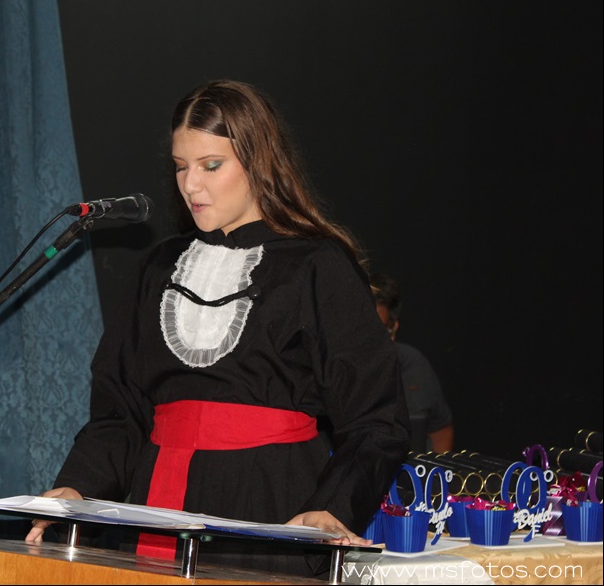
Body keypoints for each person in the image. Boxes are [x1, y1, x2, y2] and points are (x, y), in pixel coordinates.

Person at [25, 80, 410, 578]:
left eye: (210, 165)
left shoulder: (317, 265)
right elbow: (120, 413)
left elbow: (376, 420)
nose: (190, 185)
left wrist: (331, 508)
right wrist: (77, 486)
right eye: (180, 166)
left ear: (259, 161)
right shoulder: (159, 267)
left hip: (271, 505)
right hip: (156, 505)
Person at [370, 272, 454, 453]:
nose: (370, 341)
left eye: (379, 331)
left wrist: (435, 471)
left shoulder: (414, 366)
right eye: (364, 330)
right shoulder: (333, 372)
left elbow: (441, 431)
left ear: (393, 329)